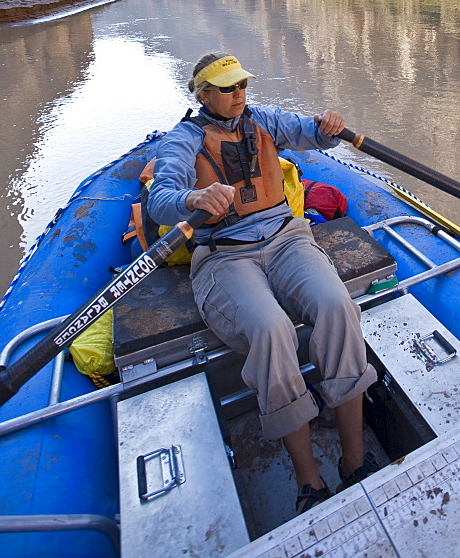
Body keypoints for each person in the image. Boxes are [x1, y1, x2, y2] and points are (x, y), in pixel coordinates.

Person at [147, 52, 378, 513]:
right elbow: (161, 200)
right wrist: (194, 195)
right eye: (227, 87)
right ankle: (309, 478)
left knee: (337, 306)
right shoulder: (183, 140)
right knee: (270, 330)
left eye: (242, 85)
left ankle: (354, 458)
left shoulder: (264, 119)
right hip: (225, 255)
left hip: (287, 239)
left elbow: (311, 133)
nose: (238, 94)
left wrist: (328, 126)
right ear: (203, 94)